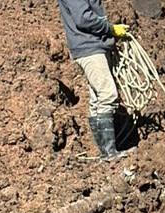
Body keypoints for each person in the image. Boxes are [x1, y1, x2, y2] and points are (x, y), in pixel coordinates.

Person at [56, 0, 129, 159]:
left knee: (97, 98)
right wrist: (110, 29)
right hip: (89, 48)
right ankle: (109, 152)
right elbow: (83, 19)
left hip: (91, 46)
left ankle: (106, 152)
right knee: (107, 94)